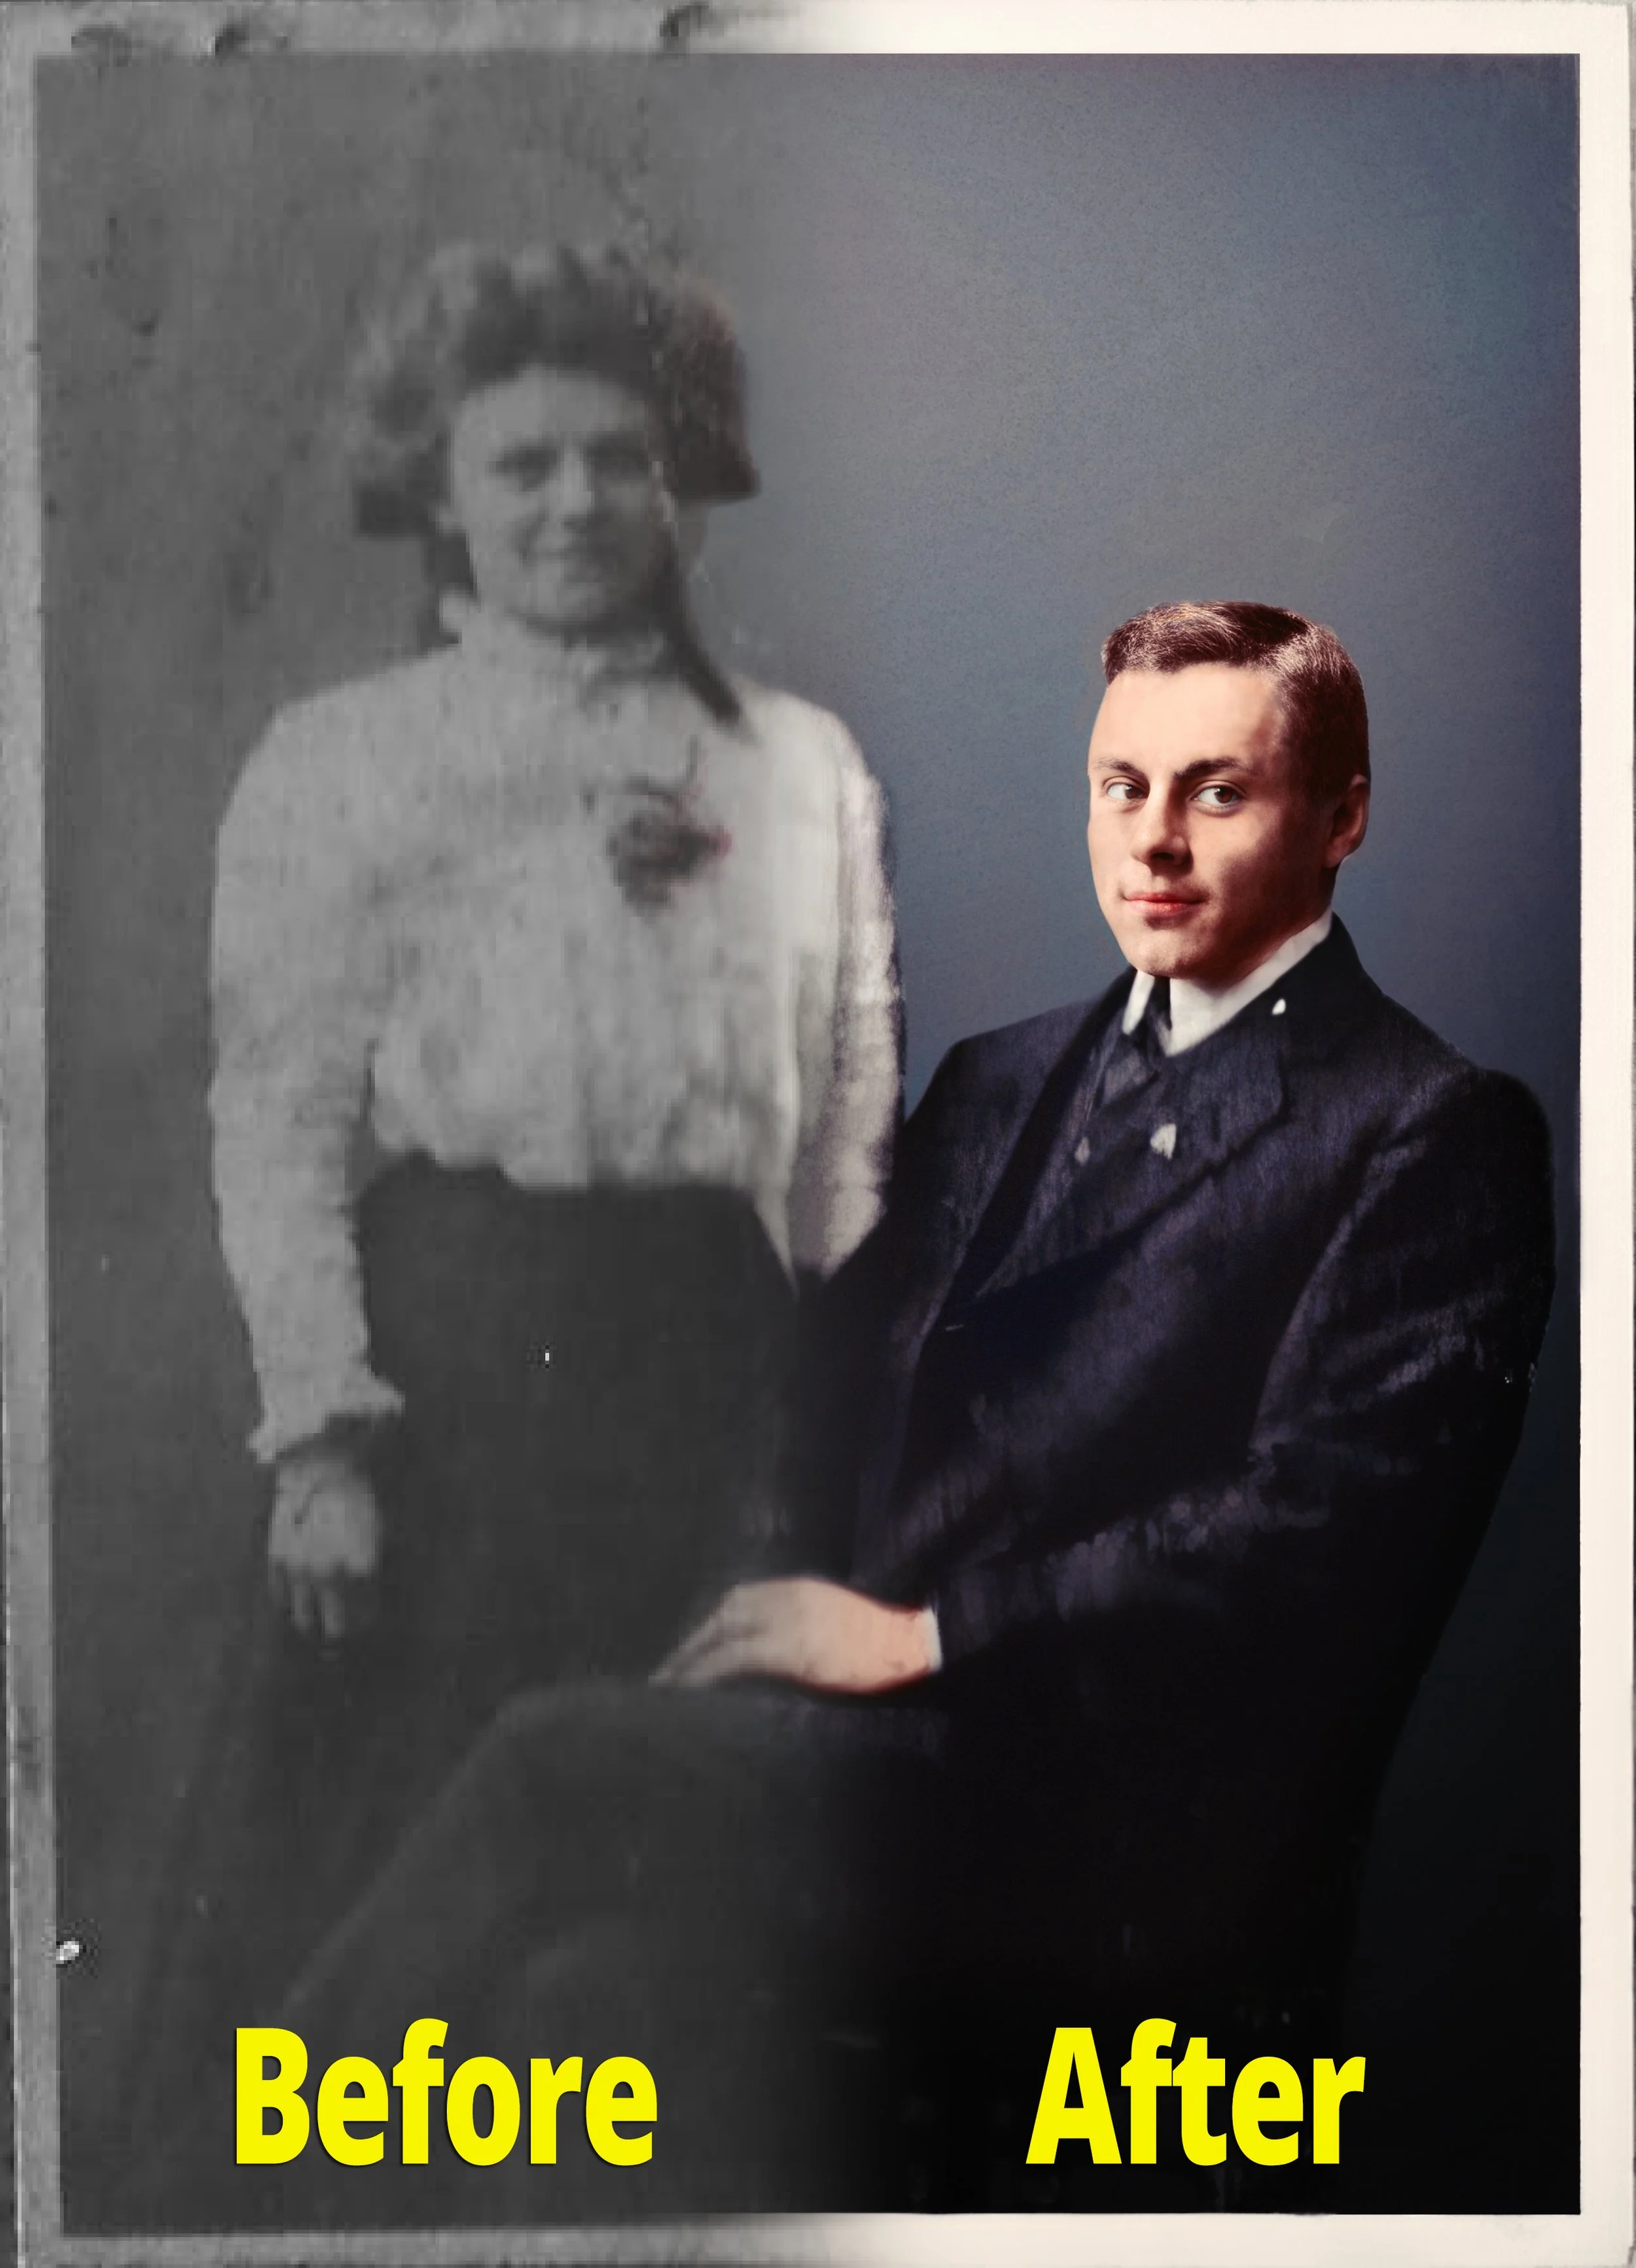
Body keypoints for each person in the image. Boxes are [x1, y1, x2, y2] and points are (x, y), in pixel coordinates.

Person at [238, 602, 1554, 2222]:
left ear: (1339, 816)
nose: (1151, 841)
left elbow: (1313, 1545)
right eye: (1116, 786)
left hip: (1124, 1826)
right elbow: (824, 1391)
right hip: (874, 1772)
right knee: (580, 1985)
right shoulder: (1003, 1081)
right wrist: (764, 1604)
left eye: (1217, 792)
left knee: (547, 1762)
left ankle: (221, 2202)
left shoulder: (1421, 1131)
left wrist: (918, 1634)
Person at [123, 241, 899, 2218]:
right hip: (457, 1388)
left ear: (682, 479)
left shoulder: (798, 770)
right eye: (524, 465)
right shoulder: (348, 760)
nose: (574, 506)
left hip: (715, 1390)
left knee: (662, 1958)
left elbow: (843, 1156)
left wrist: (831, 1469)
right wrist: (323, 1439)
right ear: (440, 490)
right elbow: (280, 1113)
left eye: (617, 462)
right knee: (387, 1957)